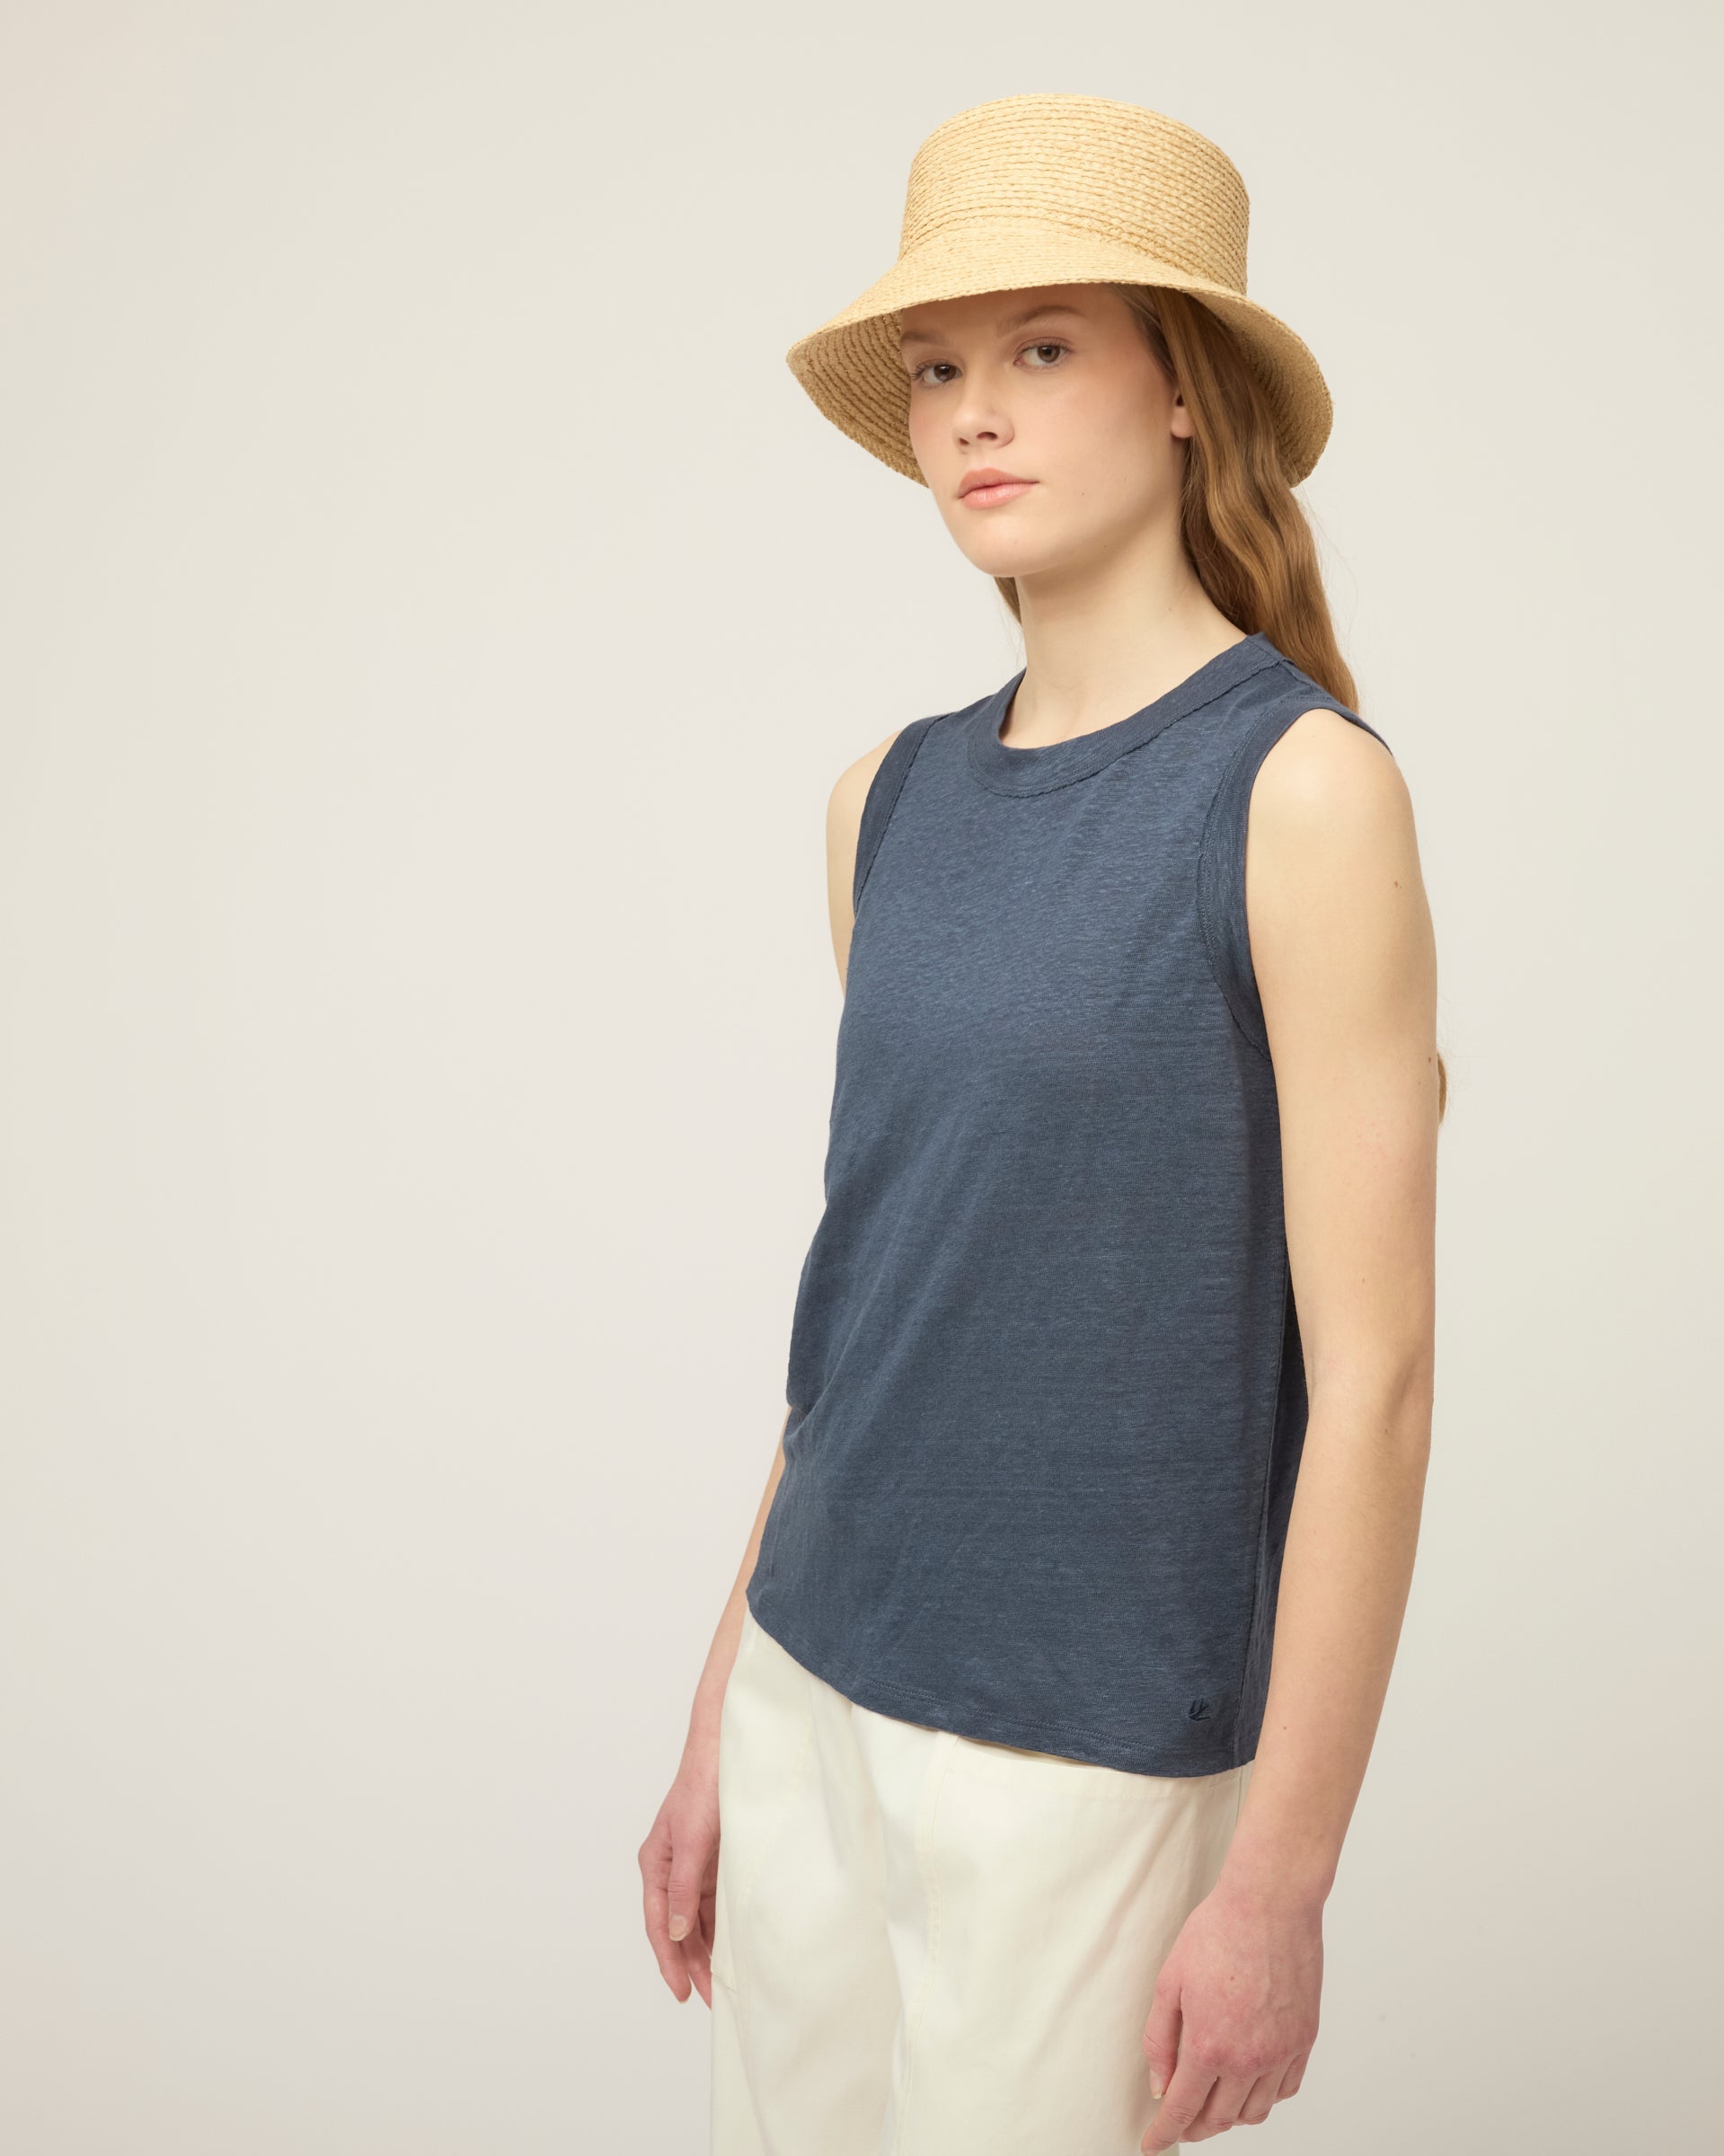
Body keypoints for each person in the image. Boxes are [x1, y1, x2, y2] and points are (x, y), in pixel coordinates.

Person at [639, 92, 1443, 2154]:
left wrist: (1280, 1882)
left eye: (1045, 347)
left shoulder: (1298, 794)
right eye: (937, 369)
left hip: (1087, 1746)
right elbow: (877, 1304)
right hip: (812, 1681)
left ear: (1183, 390)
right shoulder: (885, 804)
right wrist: (725, 1707)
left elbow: (1374, 1381)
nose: (974, 414)